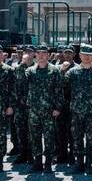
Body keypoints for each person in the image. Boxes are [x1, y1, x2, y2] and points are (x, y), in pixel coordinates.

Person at [63, 44, 92, 174]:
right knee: (77, 138)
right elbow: (63, 88)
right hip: (76, 112)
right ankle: (79, 163)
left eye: (89, 55)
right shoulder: (72, 72)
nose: (87, 57)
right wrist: (62, 71)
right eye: (84, 55)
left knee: (91, 139)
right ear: (80, 55)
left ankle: (88, 164)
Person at [23, 44, 63, 173]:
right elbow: (20, 83)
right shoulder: (30, 71)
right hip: (34, 110)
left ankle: (48, 163)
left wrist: (57, 107)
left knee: (49, 137)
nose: (41, 56)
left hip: (49, 110)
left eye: (44, 53)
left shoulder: (54, 70)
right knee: (34, 137)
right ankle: (37, 162)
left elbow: (59, 91)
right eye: (39, 53)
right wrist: (23, 63)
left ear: (48, 55)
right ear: (35, 55)